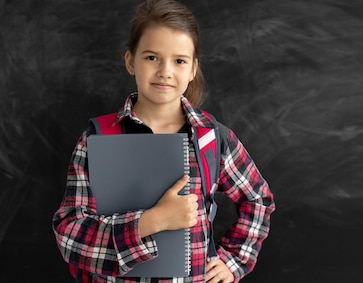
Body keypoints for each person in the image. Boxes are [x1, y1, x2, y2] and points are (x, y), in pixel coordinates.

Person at [52, 0, 276, 282]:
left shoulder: (211, 138)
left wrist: (233, 260)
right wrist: (152, 221)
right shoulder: (96, 140)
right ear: (130, 61)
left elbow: (257, 198)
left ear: (193, 69)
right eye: (151, 57)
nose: (165, 71)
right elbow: (70, 234)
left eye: (179, 60)